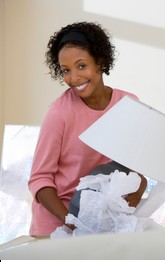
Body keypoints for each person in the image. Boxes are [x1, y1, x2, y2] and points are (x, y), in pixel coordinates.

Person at [28, 21, 147, 236]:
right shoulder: (59, 113)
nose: (74, 78)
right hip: (57, 225)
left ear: (100, 62)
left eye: (81, 66)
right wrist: (71, 221)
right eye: (66, 70)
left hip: (101, 223)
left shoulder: (129, 104)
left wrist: (138, 189)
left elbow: (137, 166)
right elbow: (39, 180)